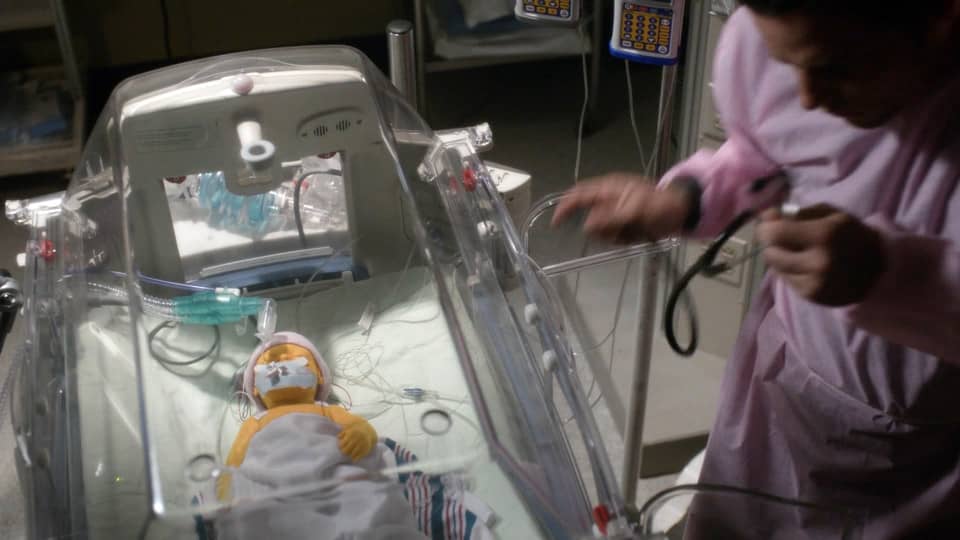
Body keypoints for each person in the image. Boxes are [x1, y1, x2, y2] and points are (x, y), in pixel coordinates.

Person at [553, 1, 960, 537]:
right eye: (790, 67)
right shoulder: (775, 55)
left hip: (919, 458)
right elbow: (762, 153)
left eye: (835, 67)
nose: (808, 97)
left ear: (941, 18)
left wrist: (892, 274)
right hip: (781, 390)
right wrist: (683, 200)